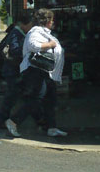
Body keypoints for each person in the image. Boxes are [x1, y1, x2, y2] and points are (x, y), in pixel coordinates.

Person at [5, 8, 67, 138]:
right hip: (35, 70)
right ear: (47, 21)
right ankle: (13, 121)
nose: (53, 22)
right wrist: (50, 44)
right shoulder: (35, 32)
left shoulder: (45, 33)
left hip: (46, 71)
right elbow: (34, 46)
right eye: (52, 20)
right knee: (36, 98)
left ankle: (52, 127)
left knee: (51, 98)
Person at [0, 13, 34, 129]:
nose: (32, 28)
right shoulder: (16, 33)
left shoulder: (18, 33)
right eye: (30, 25)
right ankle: (2, 120)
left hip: (15, 70)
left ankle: (5, 119)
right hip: (12, 70)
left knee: (16, 96)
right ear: (23, 24)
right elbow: (15, 50)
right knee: (12, 96)